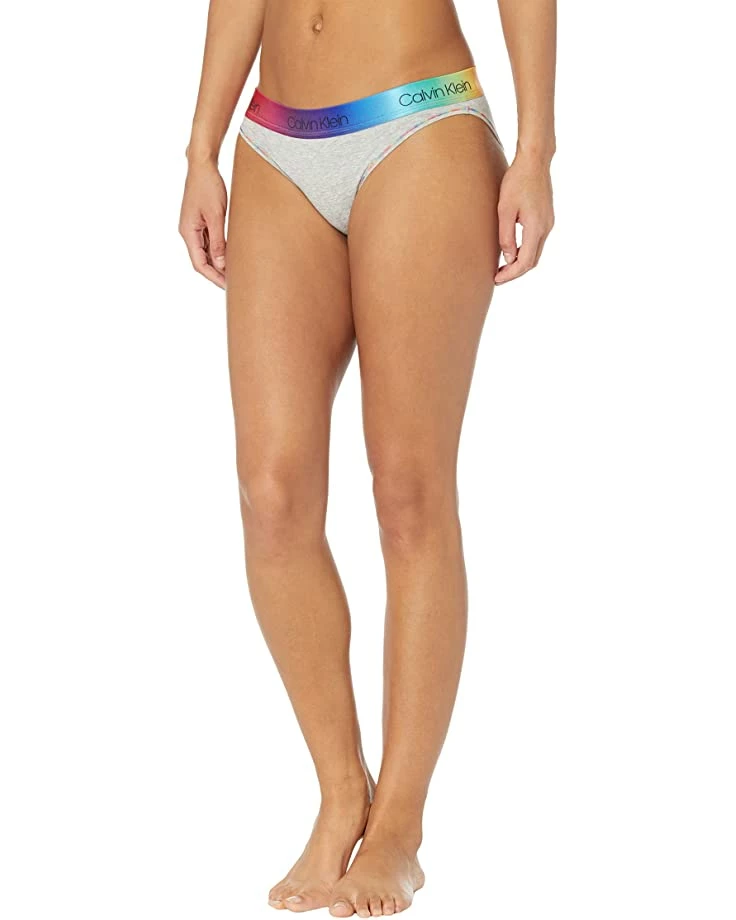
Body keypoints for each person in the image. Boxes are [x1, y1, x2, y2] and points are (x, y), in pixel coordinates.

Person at [179, 0, 555, 915]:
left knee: (409, 491)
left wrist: (537, 149)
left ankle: (399, 832)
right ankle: (342, 788)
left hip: (417, 121)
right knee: (271, 494)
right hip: (274, 138)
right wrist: (199, 148)